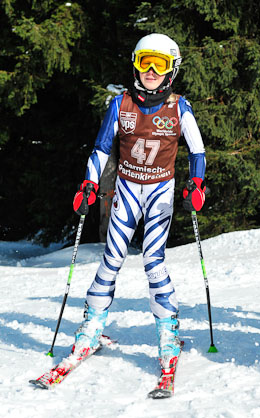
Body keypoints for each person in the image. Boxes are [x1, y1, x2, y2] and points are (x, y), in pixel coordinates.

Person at [72, 33, 206, 370]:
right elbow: (102, 148)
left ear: (171, 70)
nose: (150, 70)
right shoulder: (120, 104)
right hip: (128, 190)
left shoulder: (179, 107)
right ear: (135, 63)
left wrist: (197, 185)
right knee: (111, 258)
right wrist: (88, 182)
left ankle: (167, 333)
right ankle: (90, 331)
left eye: (158, 64)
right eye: (144, 61)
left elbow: (198, 151)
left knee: (153, 260)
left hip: (160, 191)